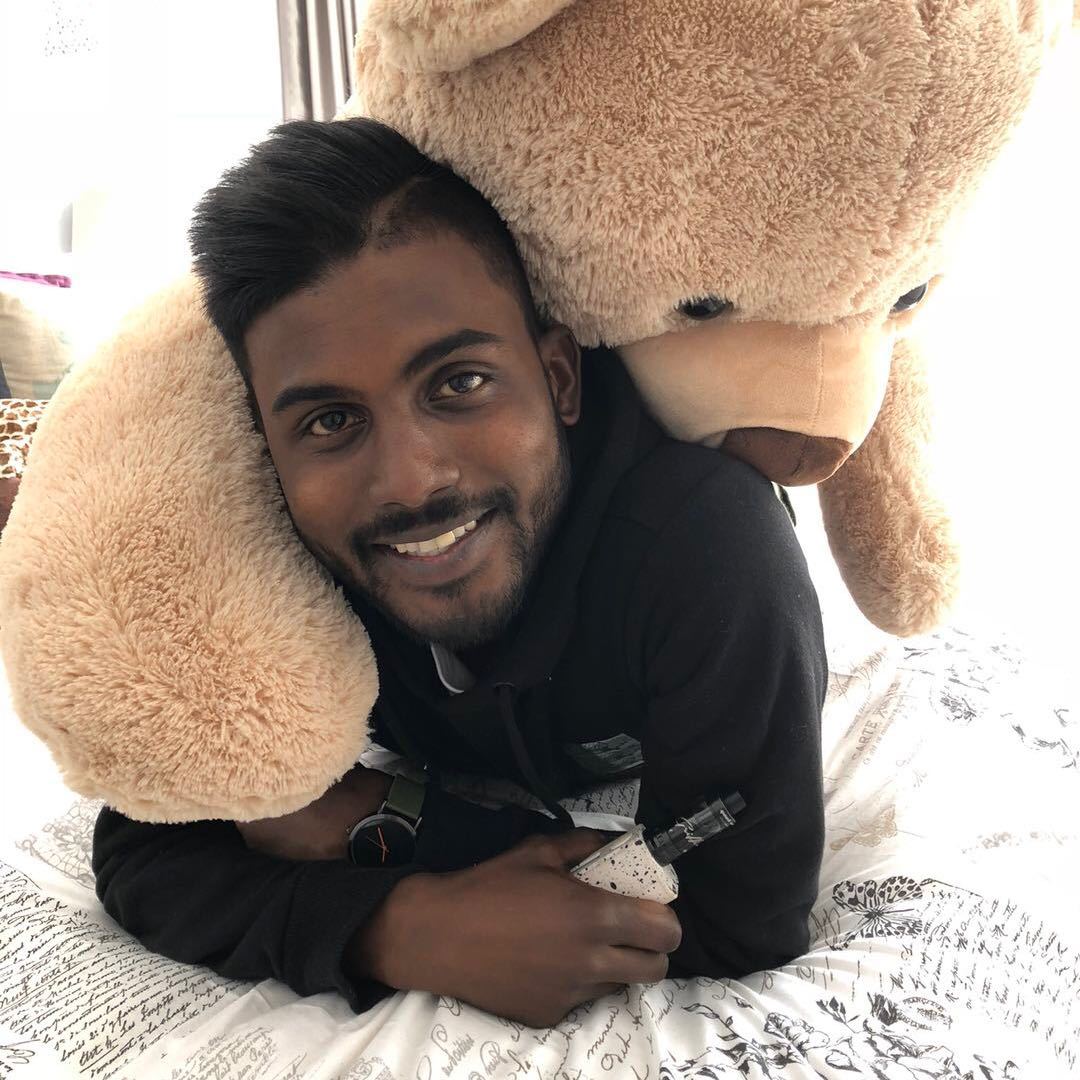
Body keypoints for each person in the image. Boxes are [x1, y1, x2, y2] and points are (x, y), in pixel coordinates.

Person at [92, 118, 827, 1029]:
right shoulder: (278, 569)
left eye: (460, 383)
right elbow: (140, 848)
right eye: (329, 422)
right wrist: (398, 929)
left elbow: (741, 913)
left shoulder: (705, 547)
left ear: (559, 379)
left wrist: (385, 818)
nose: (409, 481)